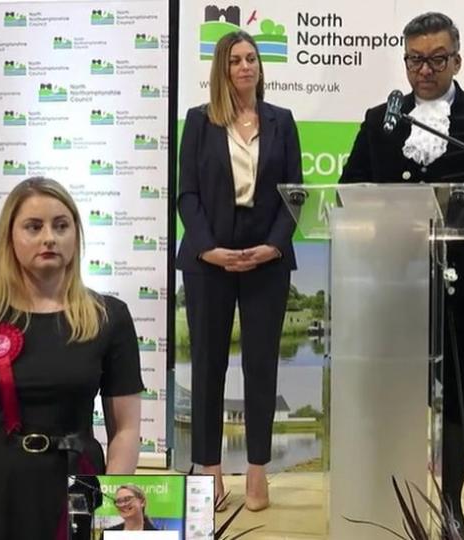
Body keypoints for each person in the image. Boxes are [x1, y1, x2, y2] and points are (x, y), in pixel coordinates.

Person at [339, 12, 464, 534]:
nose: (425, 70)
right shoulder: (382, 119)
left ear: (457, 60)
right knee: (394, 392)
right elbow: (348, 191)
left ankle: (449, 504)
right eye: (415, 59)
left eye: (437, 59)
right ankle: (392, 503)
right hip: (393, 283)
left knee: (461, 391)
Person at [0, 177, 144, 540]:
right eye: (34, 227)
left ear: (76, 237)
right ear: (10, 238)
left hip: (80, 483)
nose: (49, 237)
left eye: (61, 226)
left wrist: (112, 514)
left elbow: (125, 429)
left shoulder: (110, 316)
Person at [176, 30, 302, 512]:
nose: (246, 66)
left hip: (266, 262)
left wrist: (273, 246)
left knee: (260, 365)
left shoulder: (282, 121)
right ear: (222, 70)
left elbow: (295, 193)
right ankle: (209, 469)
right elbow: (187, 194)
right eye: (235, 60)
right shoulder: (198, 121)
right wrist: (209, 249)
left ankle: (256, 469)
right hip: (209, 264)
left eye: (252, 58)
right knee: (208, 364)